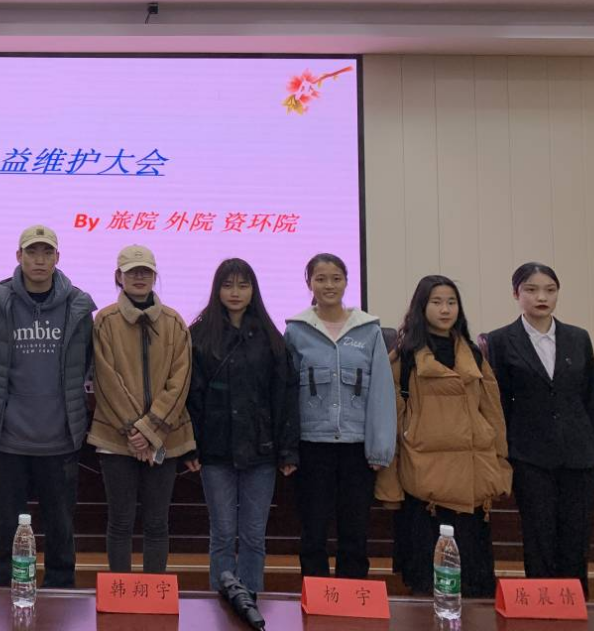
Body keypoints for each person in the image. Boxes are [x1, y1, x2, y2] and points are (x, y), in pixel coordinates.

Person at [0, 224, 96, 588]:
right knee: (6, 531)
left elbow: (85, 362)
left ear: (58, 258)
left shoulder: (77, 306)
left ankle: (60, 595)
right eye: (32, 252)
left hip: (60, 439)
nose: (39, 260)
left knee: (61, 531)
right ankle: (7, 595)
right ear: (19, 256)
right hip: (9, 439)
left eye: (47, 252)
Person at [375, 275, 511, 597]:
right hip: (425, 488)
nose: (445, 309)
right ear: (421, 307)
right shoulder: (404, 356)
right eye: (436, 302)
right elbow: (390, 424)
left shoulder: (474, 355)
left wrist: (500, 467)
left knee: (475, 585)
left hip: (472, 483)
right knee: (429, 585)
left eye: (451, 302)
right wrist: (390, 484)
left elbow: (493, 415)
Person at [486, 262, 594, 594]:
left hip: (580, 456)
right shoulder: (501, 341)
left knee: (576, 539)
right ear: (516, 294)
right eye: (531, 290)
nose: (541, 297)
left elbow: (593, 400)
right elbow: (498, 406)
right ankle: (542, 604)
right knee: (539, 538)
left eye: (549, 290)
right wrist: (501, 458)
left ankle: (574, 605)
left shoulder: (577, 337)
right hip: (530, 457)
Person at [186, 257, 298, 594]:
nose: (235, 292)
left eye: (243, 285)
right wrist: (191, 446)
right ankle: (222, 604)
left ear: (253, 291)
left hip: (261, 452)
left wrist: (288, 449)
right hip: (214, 451)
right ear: (217, 289)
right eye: (228, 285)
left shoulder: (270, 337)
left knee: (253, 536)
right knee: (222, 534)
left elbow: (284, 396)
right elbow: (191, 397)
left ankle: (251, 603)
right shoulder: (199, 335)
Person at [284, 252, 395, 579]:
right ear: (309, 283)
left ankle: (352, 595)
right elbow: (287, 394)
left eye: (336, 278)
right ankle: (315, 595)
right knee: (313, 529)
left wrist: (379, 448)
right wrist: (288, 448)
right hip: (312, 445)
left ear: (346, 281)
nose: (329, 285)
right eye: (320, 279)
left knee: (355, 529)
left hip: (356, 447)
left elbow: (382, 392)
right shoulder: (296, 331)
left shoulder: (368, 330)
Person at [88, 245, 194, 575]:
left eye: (145, 271)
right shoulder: (105, 320)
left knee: (157, 523)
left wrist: (150, 431)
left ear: (154, 276)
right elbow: (105, 379)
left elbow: (180, 380)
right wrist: (135, 431)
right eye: (132, 271)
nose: (139, 277)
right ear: (118, 276)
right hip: (116, 437)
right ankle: (120, 593)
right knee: (120, 522)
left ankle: (154, 593)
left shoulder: (175, 322)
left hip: (164, 438)